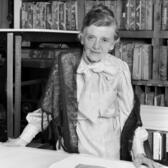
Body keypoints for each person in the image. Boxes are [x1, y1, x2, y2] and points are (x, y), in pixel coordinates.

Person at [4, 4, 161, 168]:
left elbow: (129, 117)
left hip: (107, 153)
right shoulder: (66, 63)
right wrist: (22, 140)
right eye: (91, 37)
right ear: (81, 37)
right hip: (71, 153)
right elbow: (48, 109)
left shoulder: (120, 68)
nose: (96, 46)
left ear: (113, 44)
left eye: (104, 40)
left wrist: (139, 153)